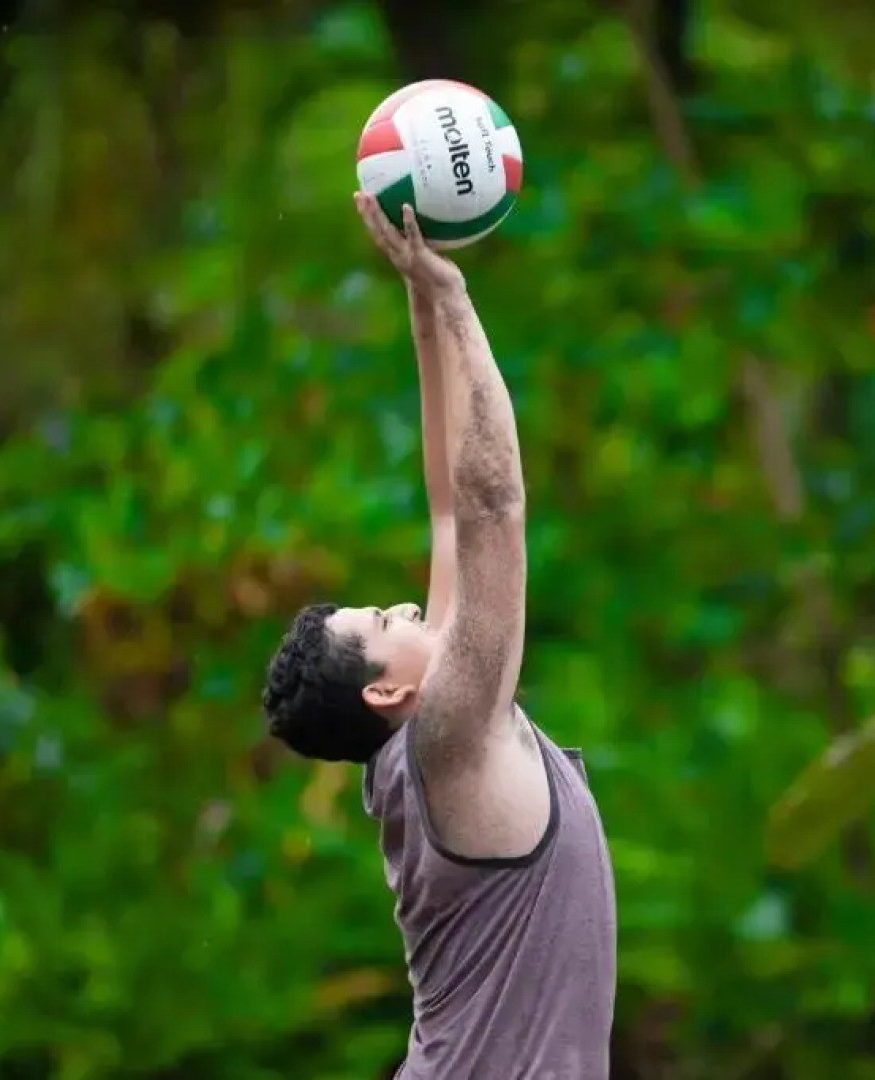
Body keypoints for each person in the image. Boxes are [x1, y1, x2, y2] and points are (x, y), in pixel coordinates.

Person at [261, 194, 617, 1079]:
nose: (407, 608)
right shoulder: (451, 733)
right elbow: (492, 503)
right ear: (385, 690)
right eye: (384, 622)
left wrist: (421, 299)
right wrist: (456, 298)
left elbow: (450, 512)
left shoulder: (431, 728)